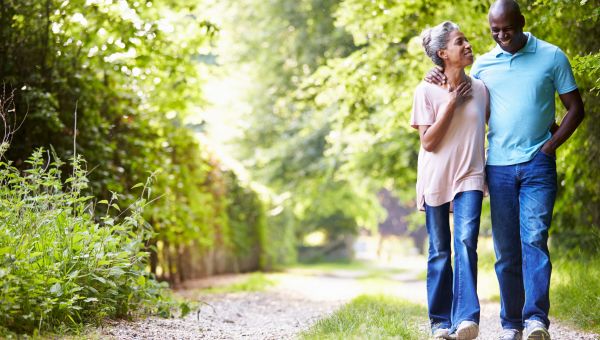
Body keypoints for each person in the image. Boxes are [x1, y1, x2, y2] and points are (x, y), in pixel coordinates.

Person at [425, 1, 585, 339]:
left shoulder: (552, 56)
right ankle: (512, 323)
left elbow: (575, 109)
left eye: (507, 29)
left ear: (522, 22)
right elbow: (458, 88)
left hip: (538, 165)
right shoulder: (483, 65)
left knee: (535, 239)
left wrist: (550, 146)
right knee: (506, 250)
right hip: (497, 167)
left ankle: (535, 320)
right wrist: (436, 73)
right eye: (494, 31)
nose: (501, 36)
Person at [412, 21, 487, 340]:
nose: (468, 44)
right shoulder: (426, 90)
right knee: (440, 250)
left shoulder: (482, 89)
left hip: (470, 175)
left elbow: (501, 126)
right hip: (436, 179)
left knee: (466, 242)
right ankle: (440, 322)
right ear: (443, 53)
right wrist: (451, 102)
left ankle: (467, 318)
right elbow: (428, 142)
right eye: (460, 42)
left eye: (466, 39)